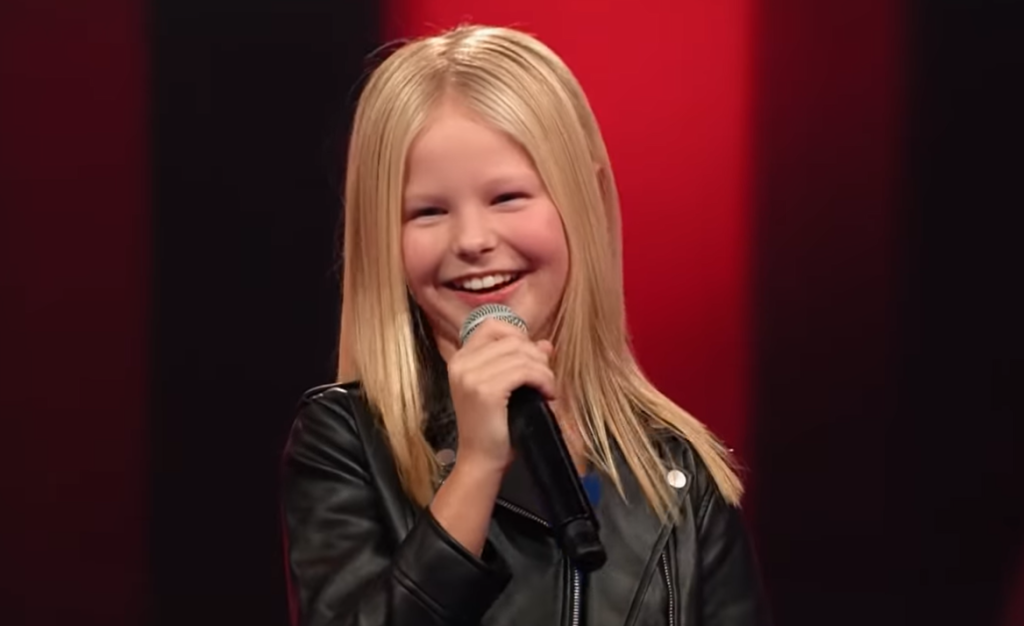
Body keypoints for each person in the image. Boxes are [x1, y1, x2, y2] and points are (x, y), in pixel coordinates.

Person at [280, 24, 770, 626]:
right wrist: (476, 467)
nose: (473, 240)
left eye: (507, 198)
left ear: (583, 198)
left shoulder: (677, 472)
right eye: (428, 211)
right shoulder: (348, 442)